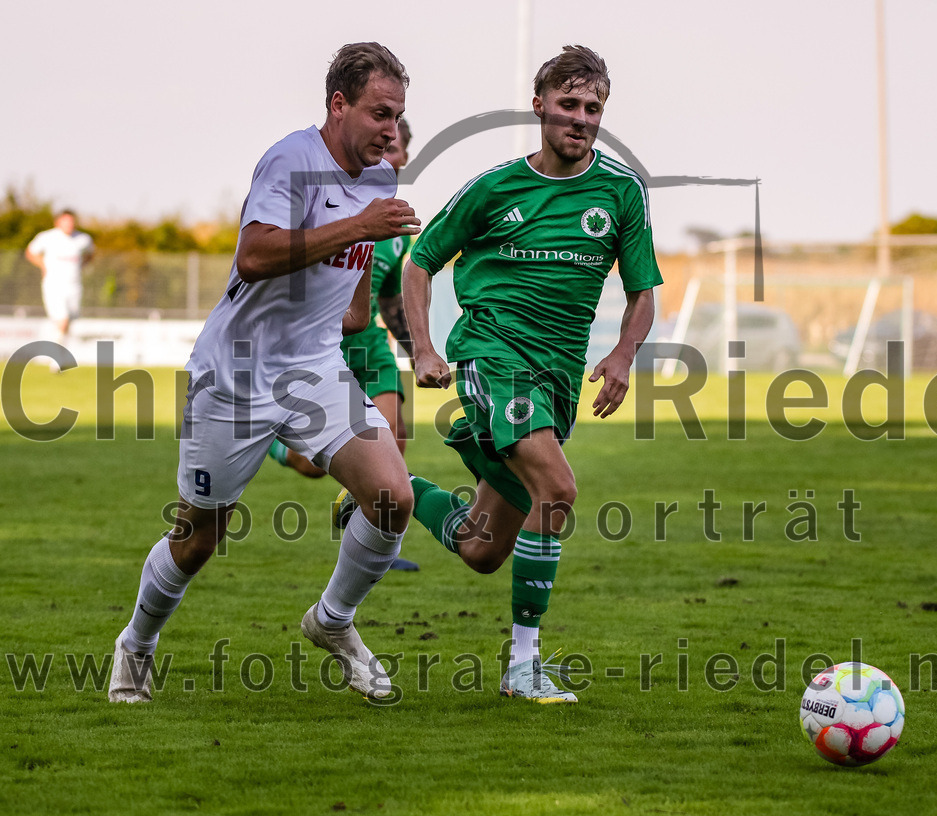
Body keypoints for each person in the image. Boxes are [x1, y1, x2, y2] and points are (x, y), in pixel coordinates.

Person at [107, 42, 419, 703]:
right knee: (199, 537)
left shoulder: (381, 177)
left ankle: (333, 622)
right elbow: (254, 256)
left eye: (398, 116)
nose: (391, 131)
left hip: (314, 369)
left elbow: (354, 281)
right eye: (380, 113)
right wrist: (361, 224)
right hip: (237, 374)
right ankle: (136, 644)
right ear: (339, 104)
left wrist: (368, 315)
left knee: (393, 496)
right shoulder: (291, 159)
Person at [402, 45, 662, 703]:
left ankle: (388, 491)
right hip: (493, 357)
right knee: (559, 486)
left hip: (557, 379)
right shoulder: (495, 188)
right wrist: (425, 350)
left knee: (481, 549)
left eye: (593, 108)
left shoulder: (621, 192)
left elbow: (642, 292)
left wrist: (623, 354)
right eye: (569, 104)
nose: (580, 118)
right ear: (540, 105)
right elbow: (419, 262)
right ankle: (523, 666)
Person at [267, 120, 420, 570]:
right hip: (321, 345)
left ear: (404, 158)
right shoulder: (331, 206)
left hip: (369, 343)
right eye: (381, 144)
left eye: (394, 148)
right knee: (312, 465)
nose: (386, 153)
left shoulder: (397, 228)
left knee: (393, 442)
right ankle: (272, 441)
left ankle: (374, 549)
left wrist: (417, 349)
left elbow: (389, 297)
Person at [25, 209, 94, 364]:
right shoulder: (47, 237)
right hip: (54, 285)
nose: (69, 224)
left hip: (75, 286)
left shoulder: (83, 239)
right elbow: (30, 252)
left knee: (67, 322)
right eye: (65, 221)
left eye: (71, 221)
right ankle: (56, 359)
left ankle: (59, 352)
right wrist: (43, 266)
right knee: (62, 319)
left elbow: (90, 254)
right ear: (58, 222)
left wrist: (82, 265)